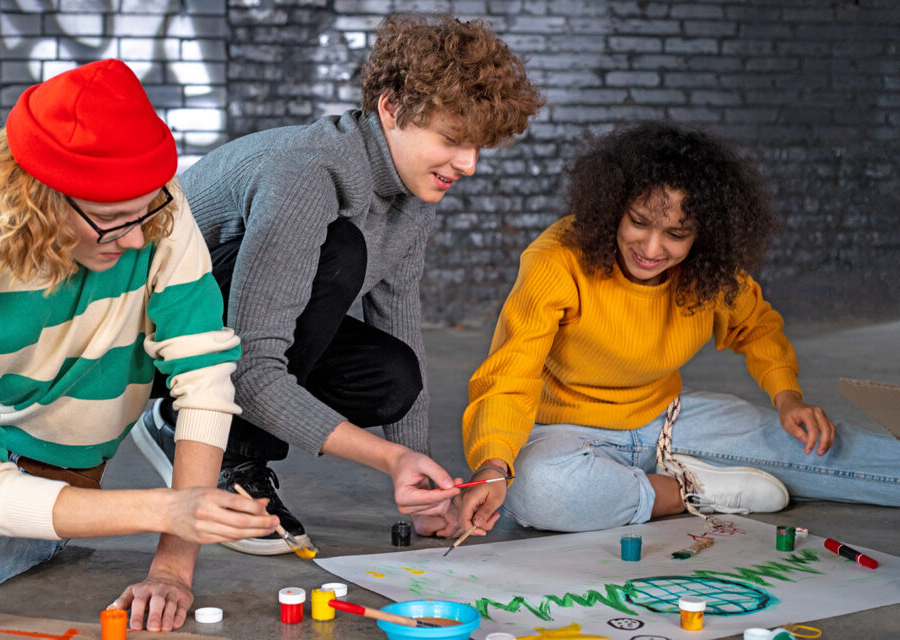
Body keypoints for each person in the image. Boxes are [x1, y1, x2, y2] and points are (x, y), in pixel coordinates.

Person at [0, 59, 278, 632]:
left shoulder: (153, 212)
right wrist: (169, 507)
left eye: (146, 211)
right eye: (113, 220)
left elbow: (204, 380)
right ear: (38, 201)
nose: (138, 238)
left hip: (45, 468)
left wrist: (173, 565)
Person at [132, 13, 544, 554]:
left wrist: (426, 492)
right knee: (343, 249)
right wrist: (389, 459)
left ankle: (200, 430)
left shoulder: (411, 196)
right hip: (159, 344)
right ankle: (211, 442)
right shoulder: (308, 173)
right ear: (392, 107)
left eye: (479, 147)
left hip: (229, 337)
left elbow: (401, 328)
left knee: (394, 377)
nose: (467, 164)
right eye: (451, 139)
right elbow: (254, 367)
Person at [457, 121, 900, 535]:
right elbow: (511, 373)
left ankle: (651, 481)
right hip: (563, 433)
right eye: (639, 222)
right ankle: (686, 491)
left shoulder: (710, 271)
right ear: (613, 208)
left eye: (676, 234)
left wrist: (788, 398)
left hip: (669, 420)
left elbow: (756, 326)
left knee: (819, 450)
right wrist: (495, 465)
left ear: (702, 235)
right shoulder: (557, 260)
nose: (651, 249)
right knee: (537, 489)